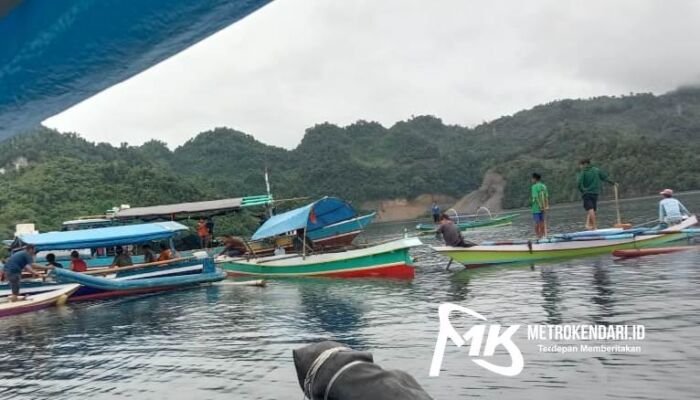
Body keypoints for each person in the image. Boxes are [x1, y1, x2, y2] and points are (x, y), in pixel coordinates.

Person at [577, 159, 616, 230]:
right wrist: (613, 183)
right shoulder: (596, 170)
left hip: (587, 193)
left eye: (580, 165)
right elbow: (605, 177)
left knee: (590, 208)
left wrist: (582, 190)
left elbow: (579, 183)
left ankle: (595, 226)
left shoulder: (584, 172)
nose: (580, 167)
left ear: (584, 164)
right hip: (595, 193)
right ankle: (590, 225)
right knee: (592, 209)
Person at [531, 173, 549, 239]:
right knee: (542, 223)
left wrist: (540, 207)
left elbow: (536, 197)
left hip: (536, 208)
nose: (531, 180)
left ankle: (538, 237)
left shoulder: (534, 187)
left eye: (532, 178)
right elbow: (546, 197)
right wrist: (547, 206)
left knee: (537, 223)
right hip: (543, 207)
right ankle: (543, 236)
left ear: (535, 179)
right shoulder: (544, 186)